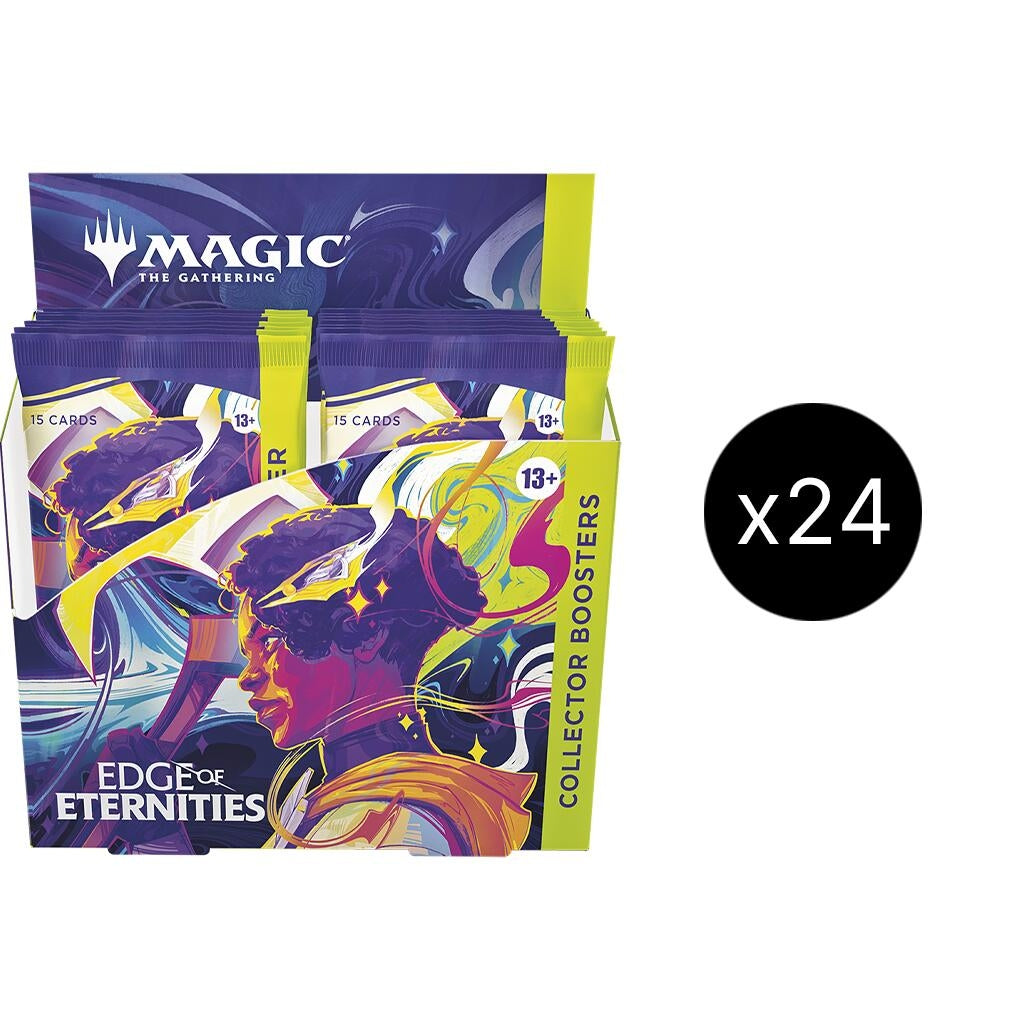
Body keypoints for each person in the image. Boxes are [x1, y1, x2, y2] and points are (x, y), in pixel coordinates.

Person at [222, 504, 536, 855]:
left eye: (269, 641)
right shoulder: (360, 799)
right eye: (248, 653)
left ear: (368, 635)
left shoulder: (393, 823)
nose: (247, 677)